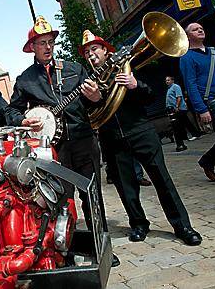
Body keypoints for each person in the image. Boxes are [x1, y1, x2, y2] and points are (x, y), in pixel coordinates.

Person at [5, 16, 120, 267]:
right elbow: (10, 112)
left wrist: (97, 96)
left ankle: (101, 246)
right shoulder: (25, 80)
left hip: (83, 140)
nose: (47, 47)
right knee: (60, 201)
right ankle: (63, 251)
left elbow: (94, 102)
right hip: (54, 151)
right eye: (41, 43)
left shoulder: (73, 69)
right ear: (32, 48)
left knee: (92, 197)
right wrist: (24, 119)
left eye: (50, 42)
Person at [80, 29, 202, 246]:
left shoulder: (128, 65)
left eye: (94, 49)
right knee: (126, 187)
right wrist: (97, 99)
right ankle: (138, 224)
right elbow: (90, 113)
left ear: (107, 51)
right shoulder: (88, 82)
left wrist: (135, 86)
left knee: (162, 179)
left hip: (141, 131)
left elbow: (151, 96)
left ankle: (183, 226)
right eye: (87, 52)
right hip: (113, 139)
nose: (90, 55)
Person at [179, 23, 215, 182]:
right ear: (188, 36)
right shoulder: (187, 57)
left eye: (201, 28)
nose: (200, 29)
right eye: (194, 29)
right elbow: (190, 85)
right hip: (212, 102)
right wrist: (201, 109)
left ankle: (207, 161)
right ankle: (208, 161)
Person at [165, 76, 203, 151]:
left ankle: (194, 134)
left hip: (179, 109)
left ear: (172, 80)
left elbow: (179, 97)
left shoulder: (175, 86)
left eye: (168, 80)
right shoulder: (169, 88)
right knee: (184, 121)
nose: (167, 82)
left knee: (182, 123)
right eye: (166, 80)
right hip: (173, 109)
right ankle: (193, 134)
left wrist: (177, 106)